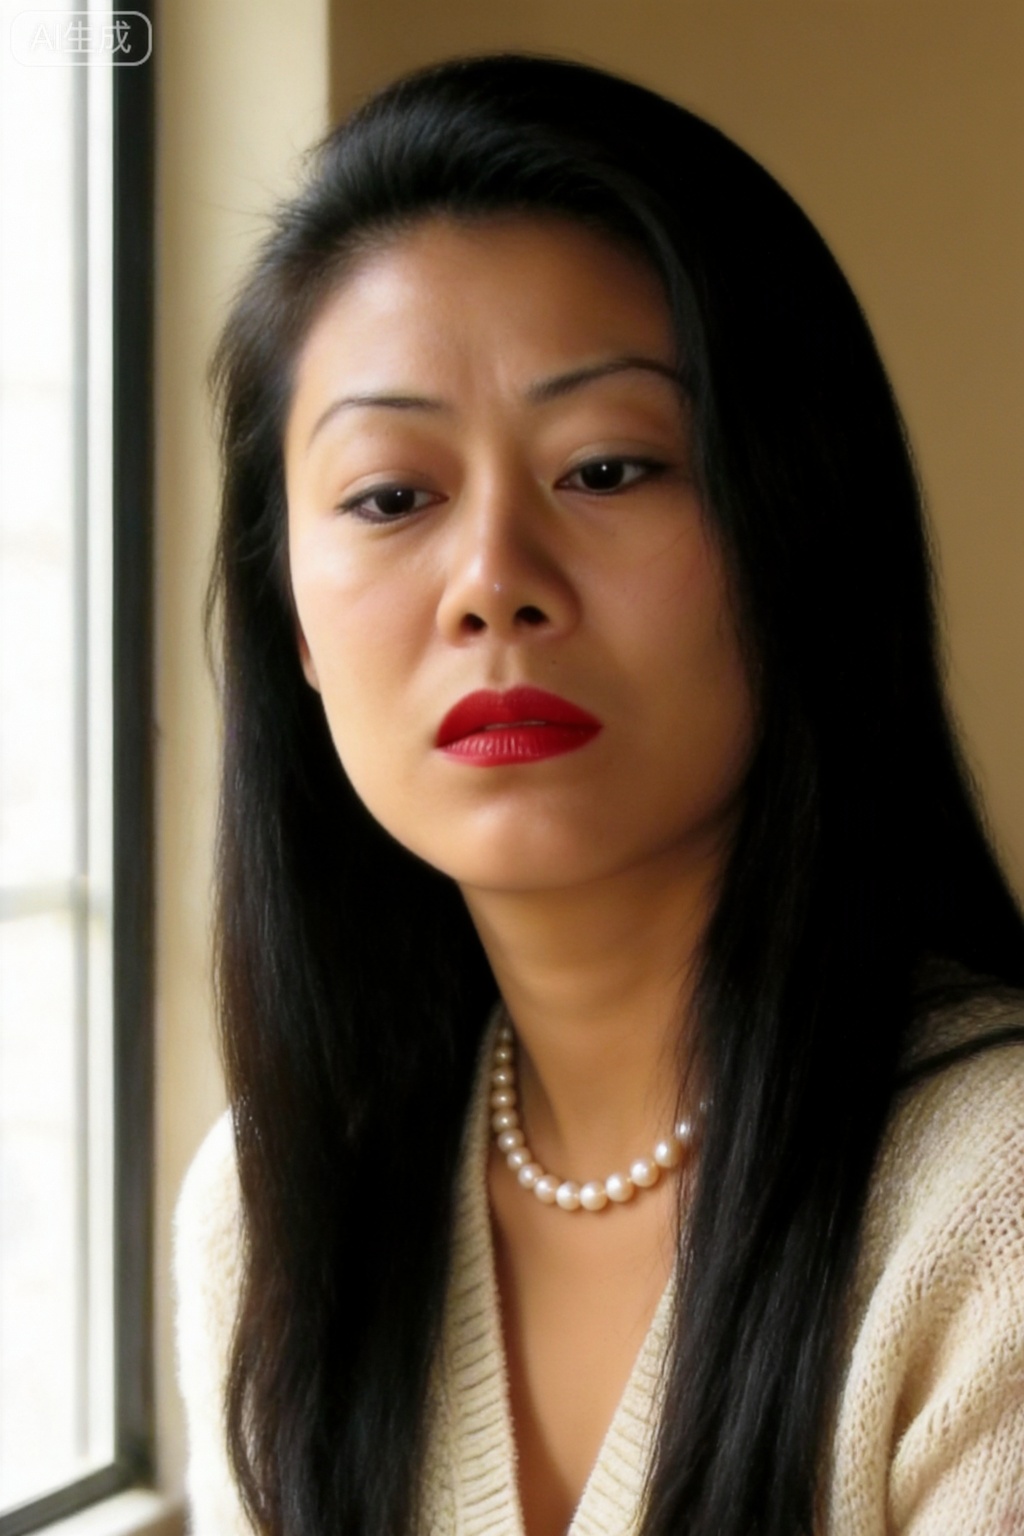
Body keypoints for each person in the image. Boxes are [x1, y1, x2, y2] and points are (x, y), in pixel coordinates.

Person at [174, 52, 1024, 1536]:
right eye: (390, 495)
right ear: (293, 623)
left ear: (798, 532)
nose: (495, 580)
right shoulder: (277, 1215)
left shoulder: (989, 1211)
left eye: (612, 467)